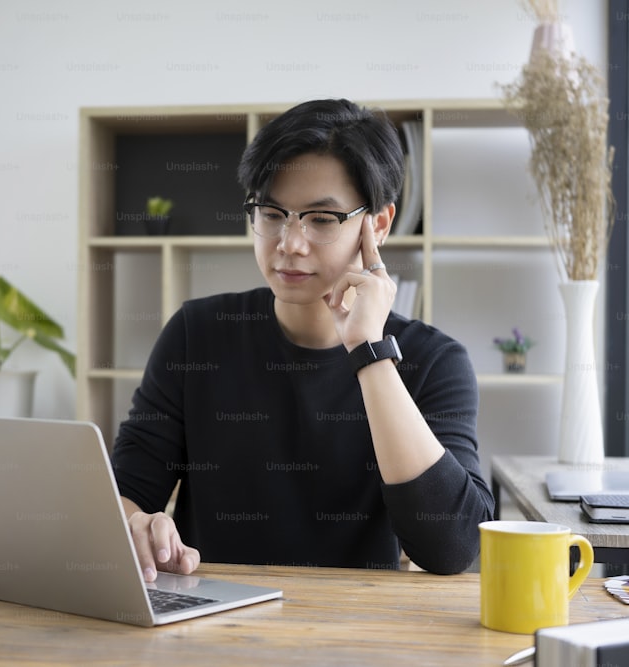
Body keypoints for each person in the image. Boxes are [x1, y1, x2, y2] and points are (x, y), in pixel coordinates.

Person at [111, 98, 494, 579]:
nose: (290, 243)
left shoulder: (433, 360)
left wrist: (369, 353)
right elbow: (126, 490)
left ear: (377, 225)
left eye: (321, 219)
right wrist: (137, 525)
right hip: (213, 625)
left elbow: (453, 548)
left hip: (357, 637)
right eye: (272, 214)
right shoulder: (197, 335)